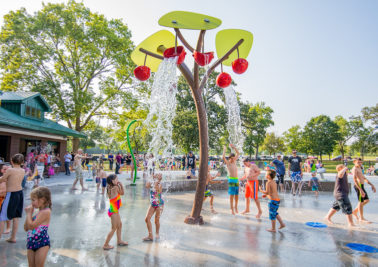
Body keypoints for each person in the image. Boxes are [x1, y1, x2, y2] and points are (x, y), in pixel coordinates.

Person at [0, 154, 25, 242]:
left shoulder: (10, 170)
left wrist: (3, 178)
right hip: (20, 193)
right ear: (22, 162)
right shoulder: (22, 170)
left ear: (11, 161)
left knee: (2, 216)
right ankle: (13, 237)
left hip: (11, 194)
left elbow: (2, 179)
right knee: (16, 216)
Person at [24, 187, 51, 267]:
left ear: (42, 199)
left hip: (42, 243)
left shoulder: (46, 212)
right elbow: (26, 227)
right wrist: (29, 214)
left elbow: (32, 226)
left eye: (33, 200)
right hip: (31, 242)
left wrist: (29, 214)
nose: (32, 203)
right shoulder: (37, 211)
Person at [103, 174, 128, 250]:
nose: (118, 180)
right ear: (113, 181)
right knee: (114, 228)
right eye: (117, 179)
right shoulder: (115, 187)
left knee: (119, 225)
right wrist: (121, 185)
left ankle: (119, 241)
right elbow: (122, 193)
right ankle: (106, 244)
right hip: (114, 210)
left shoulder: (110, 187)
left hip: (113, 209)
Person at [351, 158, 376, 223]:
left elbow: (363, 178)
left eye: (361, 162)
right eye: (358, 162)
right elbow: (354, 179)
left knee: (366, 200)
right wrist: (360, 190)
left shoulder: (360, 168)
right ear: (354, 162)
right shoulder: (355, 169)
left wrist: (371, 184)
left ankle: (355, 212)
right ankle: (361, 218)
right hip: (358, 186)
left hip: (362, 186)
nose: (360, 163)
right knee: (361, 202)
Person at [143, 173, 164, 241]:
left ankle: (157, 233)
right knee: (147, 219)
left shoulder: (159, 184)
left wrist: (156, 181)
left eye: (158, 175)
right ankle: (150, 235)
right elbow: (146, 185)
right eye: (156, 174)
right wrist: (151, 178)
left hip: (159, 204)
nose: (157, 175)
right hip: (153, 204)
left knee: (156, 220)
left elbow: (157, 190)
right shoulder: (152, 182)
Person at [223, 144, 240, 215]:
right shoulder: (228, 163)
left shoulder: (234, 162)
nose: (233, 159)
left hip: (236, 180)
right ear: (229, 158)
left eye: (234, 158)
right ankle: (231, 208)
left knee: (236, 195)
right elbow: (223, 157)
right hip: (231, 180)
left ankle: (235, 207)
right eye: (232, 158)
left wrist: (234, 147)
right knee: (231, 195)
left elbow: (238, 153)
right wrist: (224, 150)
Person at [0, 164, 11, 235]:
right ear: (1, 170)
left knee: (6, 214)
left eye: (7, 169)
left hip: (6, 198)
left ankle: (8, 227)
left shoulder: (10, 180)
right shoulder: (0, 179)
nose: (5, 171)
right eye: (4, 169)